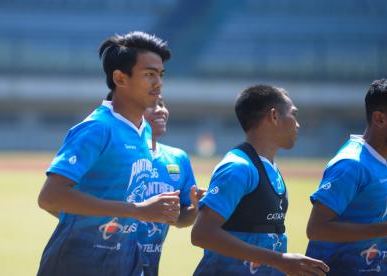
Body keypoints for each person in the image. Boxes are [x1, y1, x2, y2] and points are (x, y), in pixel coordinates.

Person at [37, 31, 181, 276]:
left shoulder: (143, 131)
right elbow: (49, 197)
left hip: (124, 264)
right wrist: (135, 210)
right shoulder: (97, 128)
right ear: (120, 78)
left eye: (160, 74)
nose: (158, 83)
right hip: (75, 266)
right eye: (149, 74)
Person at [191, 84, 329, 275]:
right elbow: (202, 234)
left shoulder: (270, 168)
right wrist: (280, 260)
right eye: (293, 114)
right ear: (274, 116)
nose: (298, 124)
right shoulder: (239, 167)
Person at [305, 79, 387, 275]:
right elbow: (317, 229)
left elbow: (368, 221)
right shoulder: (352, 164)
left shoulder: (381, 159)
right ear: (380, 119)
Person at [107, 92, 206, 276]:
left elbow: (179, 218)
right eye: (152, 105)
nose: (161, 110)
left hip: (149, 266)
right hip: (106, 263)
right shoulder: (114, 153)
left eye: (162, 104)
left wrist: (195, 208)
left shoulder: (178, 158)